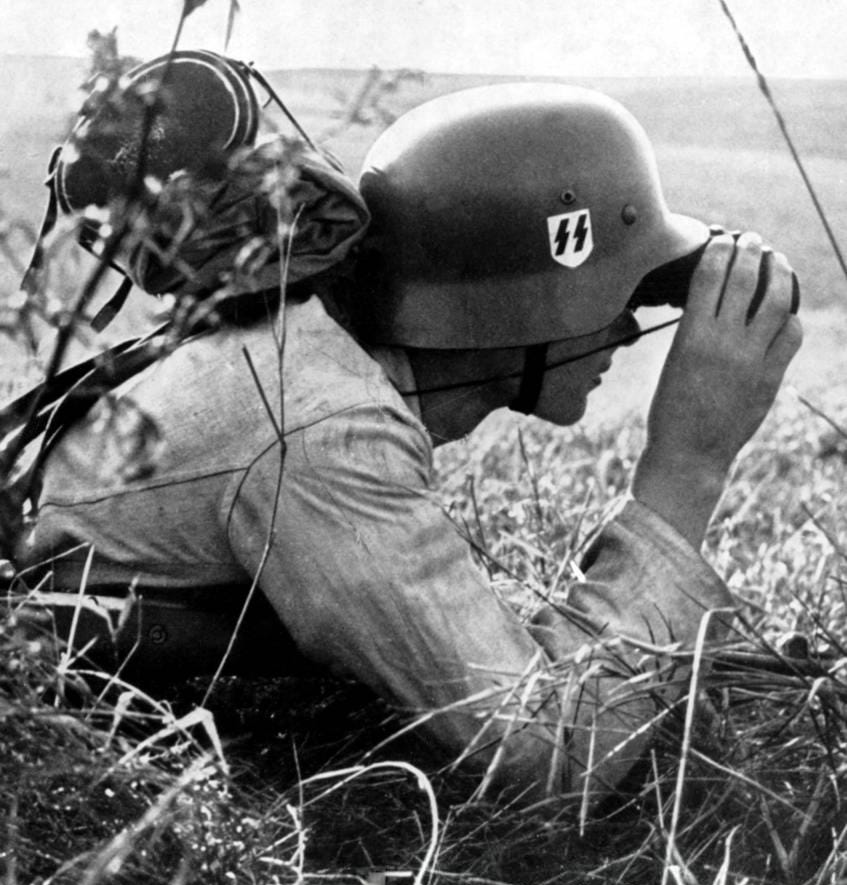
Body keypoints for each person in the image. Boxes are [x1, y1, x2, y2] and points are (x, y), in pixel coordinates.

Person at [11, 78, 802, 805]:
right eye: (614, 293)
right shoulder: (320, 426)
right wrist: (687, 466)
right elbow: (542, 751)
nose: (628, 330)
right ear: (524, 300)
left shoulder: (309, 357)